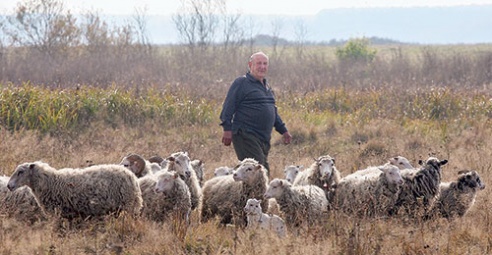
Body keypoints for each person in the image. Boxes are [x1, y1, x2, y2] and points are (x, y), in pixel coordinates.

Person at [220, 51, 292, 175]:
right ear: (250, 65)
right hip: (245, 134)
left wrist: (283, 130)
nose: (262, 67)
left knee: (255, 171)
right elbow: (228, 107)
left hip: (263, 138)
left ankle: (242, 190)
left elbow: (272, 112)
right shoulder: (241, 83)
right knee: (260, 171)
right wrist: (227, 129)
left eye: (265, 64)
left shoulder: (267, 87)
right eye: (259, 63)